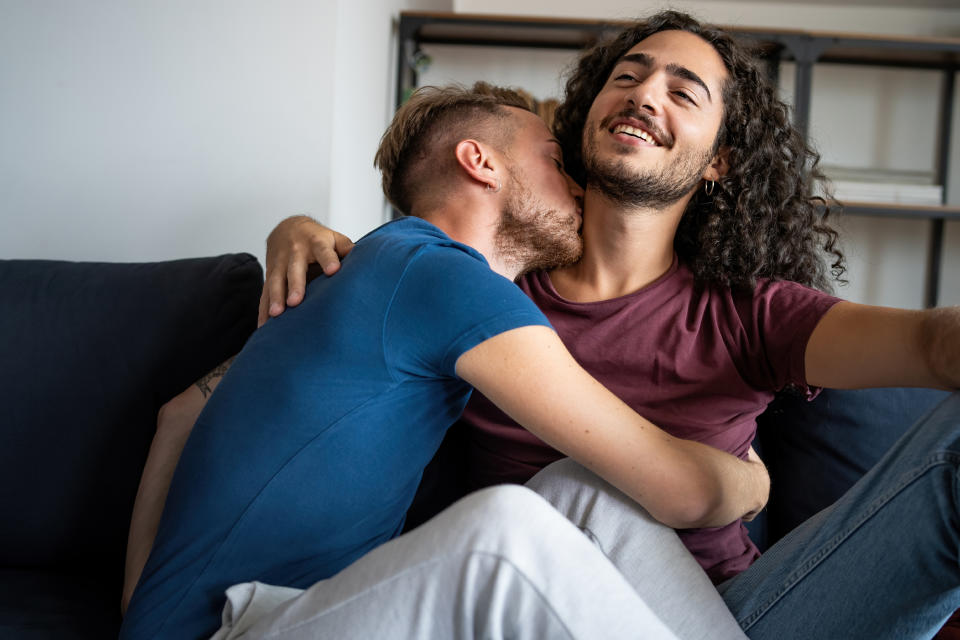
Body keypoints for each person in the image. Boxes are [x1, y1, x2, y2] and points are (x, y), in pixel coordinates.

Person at [262, 10, 960, 638]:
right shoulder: (488, 292)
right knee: (574, 488)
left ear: (718, 160)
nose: (645, 93)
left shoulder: (750, 311)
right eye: (627, 76)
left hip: (736, 613)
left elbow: (930, 345)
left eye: (683, 92)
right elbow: (398, 281)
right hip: (537, 609)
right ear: (588, 113)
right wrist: (301, 233)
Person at [120, 82, 767, 639]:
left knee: (583, 492)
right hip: (253, 626)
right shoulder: (444, 276)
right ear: (479, 162)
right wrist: (752, 481)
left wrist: (139, 619)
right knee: (506, 530)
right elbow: (681, 490)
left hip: (306, 613)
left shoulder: (374, 267)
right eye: (553, 162)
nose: (575, 186)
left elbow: (177, 416)